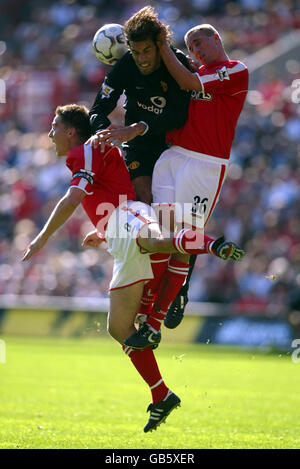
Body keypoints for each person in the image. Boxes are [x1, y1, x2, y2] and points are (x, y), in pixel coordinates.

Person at [22, 104, 240, 432]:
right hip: (118, 232)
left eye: (55, 127)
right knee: (118, 327)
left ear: (70, 131)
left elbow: (72, 199)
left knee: (156, 239)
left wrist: (41, 239)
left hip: (128, 217)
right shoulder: (91, 151)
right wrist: (101, 230)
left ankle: (211, 245)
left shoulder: (84, 151)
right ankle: (161, 394)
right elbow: (107, 190)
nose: (50, 134)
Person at [150, 24, 249, 330]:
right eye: (190, 46)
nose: (196, 50)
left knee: (188, 231)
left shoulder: (234, 70)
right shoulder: (197, 72)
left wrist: (162, 44)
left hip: (206, 163)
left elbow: (188, 81)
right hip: (174, 155)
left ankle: (181, 291)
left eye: (199, 42)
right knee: (164, 229)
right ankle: (153, 304)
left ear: (217, 38)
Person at [88, 6, 191, 205]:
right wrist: (103, 131)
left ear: (159, 45)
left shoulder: (178, 64)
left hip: (176, 143)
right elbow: (97, 109)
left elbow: (178, 115)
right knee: (144, 199)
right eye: (135, 52)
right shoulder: (125, 65)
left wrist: (138, 128)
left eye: (147, 51)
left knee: (176, 209)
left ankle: (195, 237)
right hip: (140, 146)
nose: (141, 59)